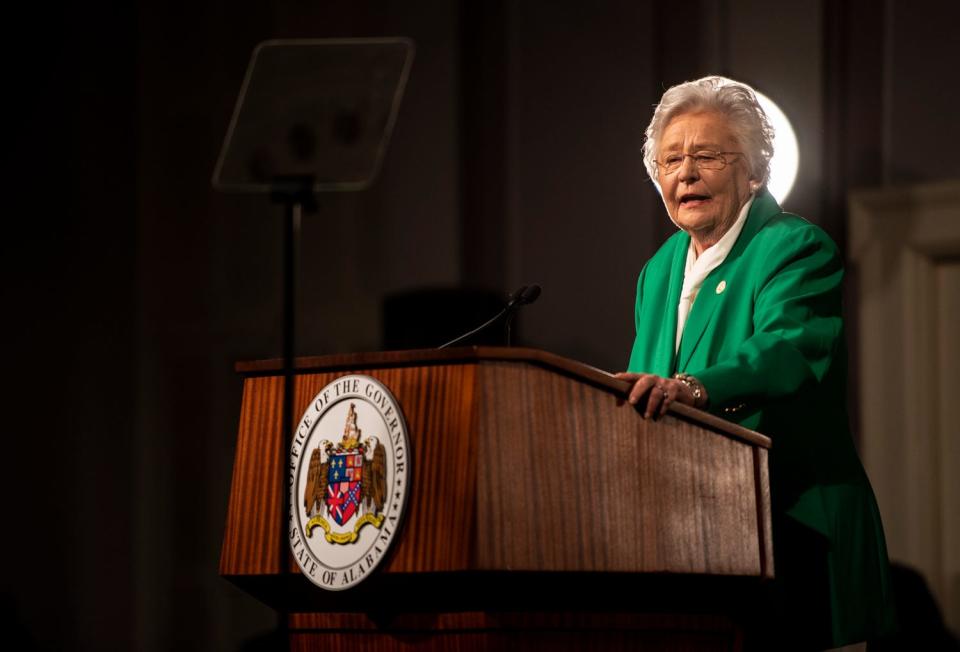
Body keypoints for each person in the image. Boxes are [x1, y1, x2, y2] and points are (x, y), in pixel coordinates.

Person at [616, 76, 896, 649]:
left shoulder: (794, 246)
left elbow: (787, 348)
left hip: (796, 531)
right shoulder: (658, 270)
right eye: (671, 160)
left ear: (754, 172)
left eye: (707, 156)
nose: (685, 173)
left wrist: (692, 389)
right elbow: (646, 379)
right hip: (698, 543)